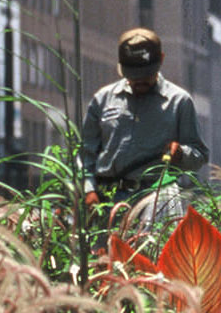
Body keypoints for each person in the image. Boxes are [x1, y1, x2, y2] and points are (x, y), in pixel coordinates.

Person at [79, 27, 208, 232]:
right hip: (108, 203)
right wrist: (88, 190)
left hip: (158, 203)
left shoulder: (179, 102)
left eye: (145, 75)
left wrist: (181, 153)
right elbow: (86, 153)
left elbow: (200, 155)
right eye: (133, 76)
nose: (139, 82)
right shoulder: (103, 100)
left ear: (161, 60)